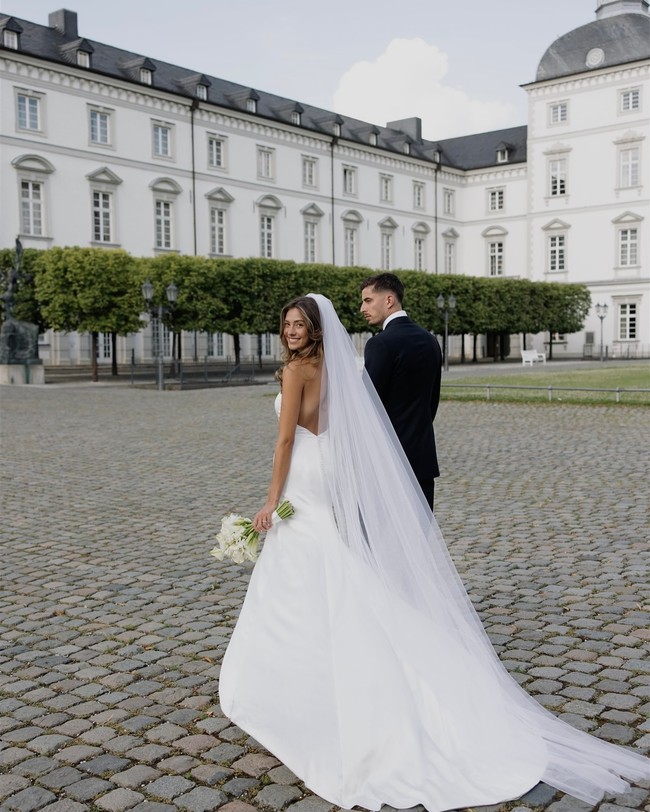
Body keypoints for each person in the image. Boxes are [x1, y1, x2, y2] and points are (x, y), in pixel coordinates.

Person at [218, 294, 649, 812]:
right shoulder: (338, 365)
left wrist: (269, 502)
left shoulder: (296, 373)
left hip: (302, 474)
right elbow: (336, 426)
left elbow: (286, 440)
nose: (290, 331)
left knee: (304, 564)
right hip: (326, 469)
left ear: (313, 328)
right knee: (329, 559)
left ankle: (295, 684)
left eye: (298, 324)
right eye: (285, 323)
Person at [360, 273, 442, 509]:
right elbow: (431, 403)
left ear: (388, 300)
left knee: (381, 543)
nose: (362, 308)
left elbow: (368, 406)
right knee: (419, 542)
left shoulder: (380, 343)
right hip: (422, 458)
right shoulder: (430, 340)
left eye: (367, 300)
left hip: (386, 464)